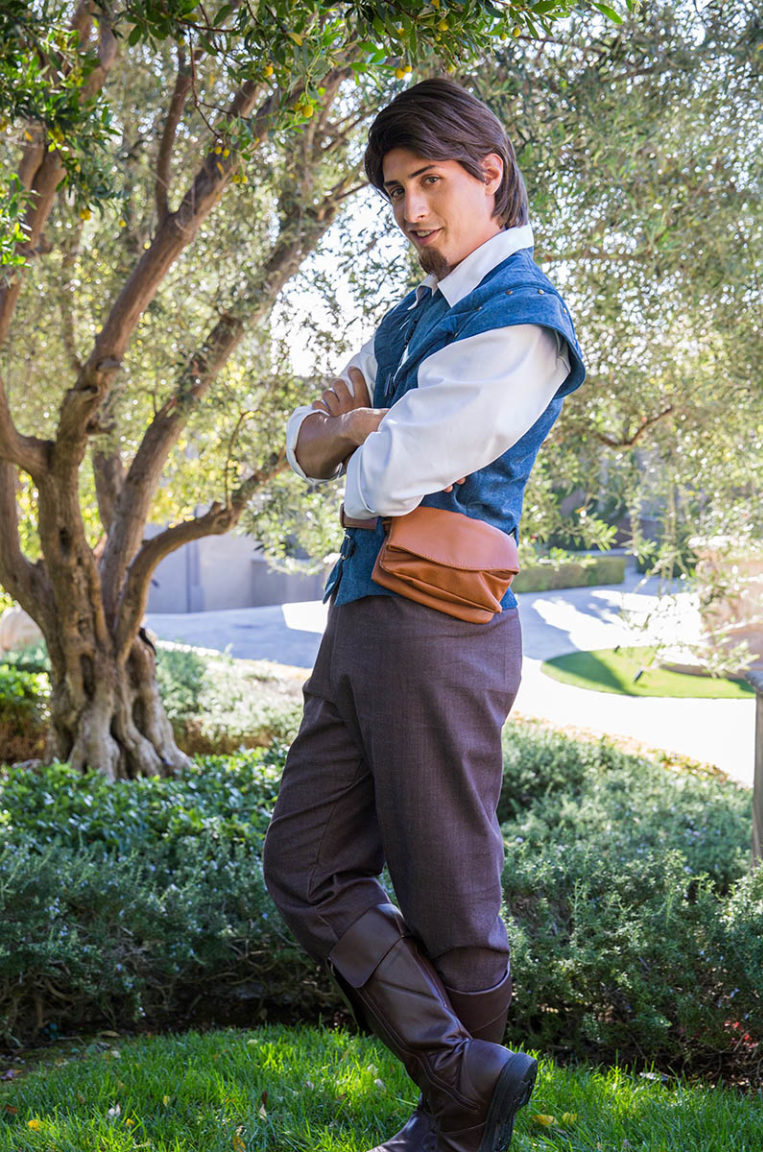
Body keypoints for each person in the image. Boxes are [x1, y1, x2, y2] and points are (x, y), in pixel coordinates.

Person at [262, 78, 585, 1152]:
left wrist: (359, 431)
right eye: (395, 190)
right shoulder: (415, 312)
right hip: (362, 618)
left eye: (430, 182)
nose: (411, 210)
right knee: (305, 868)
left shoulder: (521, 320)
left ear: (490, 172)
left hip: (441, 629)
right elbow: (305, 444)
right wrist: (359, 429)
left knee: (449, 893)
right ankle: (463, 1084)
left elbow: (375, 477)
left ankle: (455, 1127)